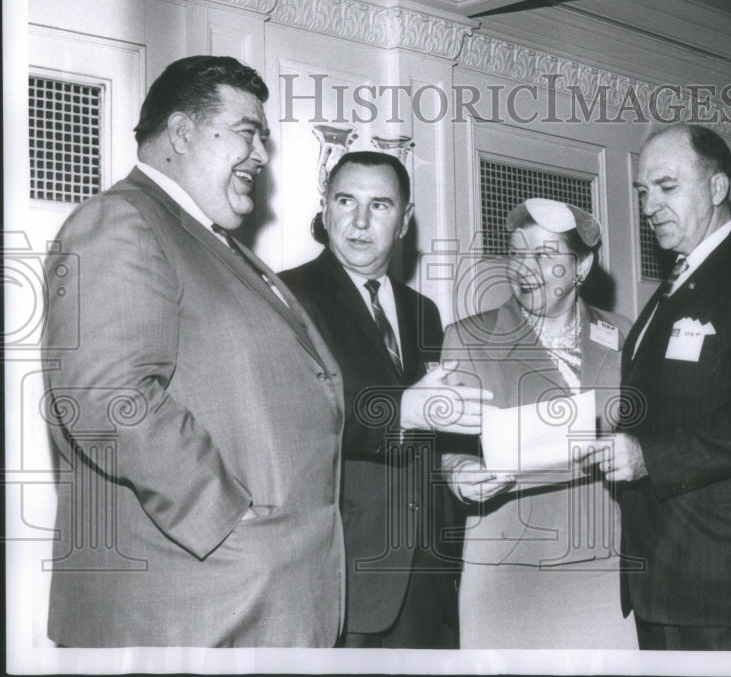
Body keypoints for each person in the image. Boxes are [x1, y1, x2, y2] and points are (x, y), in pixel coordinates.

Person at [41, 55, 346, 647]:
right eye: (246, 132)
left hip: (249, 602)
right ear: (181, 133)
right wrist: (229, 521)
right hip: (195, 607)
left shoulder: (214, 242)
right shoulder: (118, 221)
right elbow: (107, 397)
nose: (261, 154)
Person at [579, 125, 731, 650]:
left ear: (717, 188)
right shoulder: (672, 287)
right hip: (667, 582)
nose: (649, 205)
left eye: (666, 186)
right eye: (643, 192)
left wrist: (650, 456)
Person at [280, 151, 489, 648]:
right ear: (325, 208)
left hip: (428, 572)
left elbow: (435, 432)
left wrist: (460, 466)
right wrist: (399, 414)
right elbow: (292, 420)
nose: (359, 221)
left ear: (405, 220)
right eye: (346, 201)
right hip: (344, 570)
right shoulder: (287, 296)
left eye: (380, 205)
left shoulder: (424, 311)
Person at [440, 198, 639, 649]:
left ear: (582, 265)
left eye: (545, 255)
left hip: (605, 564)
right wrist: (459, 473)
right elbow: (449, 445)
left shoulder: (622, 332)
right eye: (516, 253)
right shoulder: (468, 337)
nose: (525, 268)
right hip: (511, 568)